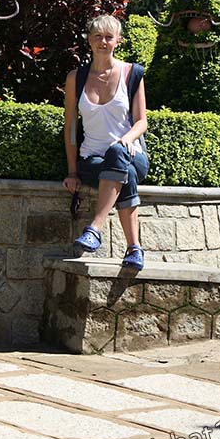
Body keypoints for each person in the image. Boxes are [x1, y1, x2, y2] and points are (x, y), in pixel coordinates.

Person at [62, 14, 149, 269]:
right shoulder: (75, 78)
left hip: (131, 151)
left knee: (118, 154)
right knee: (126, 175)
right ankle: (135, 249)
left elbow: (141, 121)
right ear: (89, 40)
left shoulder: (132, 73)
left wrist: (125, 139)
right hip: (93, 160)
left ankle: (95, 228)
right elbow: (71, 127)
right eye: (97, 36)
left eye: (109, 37)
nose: (103, 42)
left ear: (118, 41)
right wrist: (72, 171)